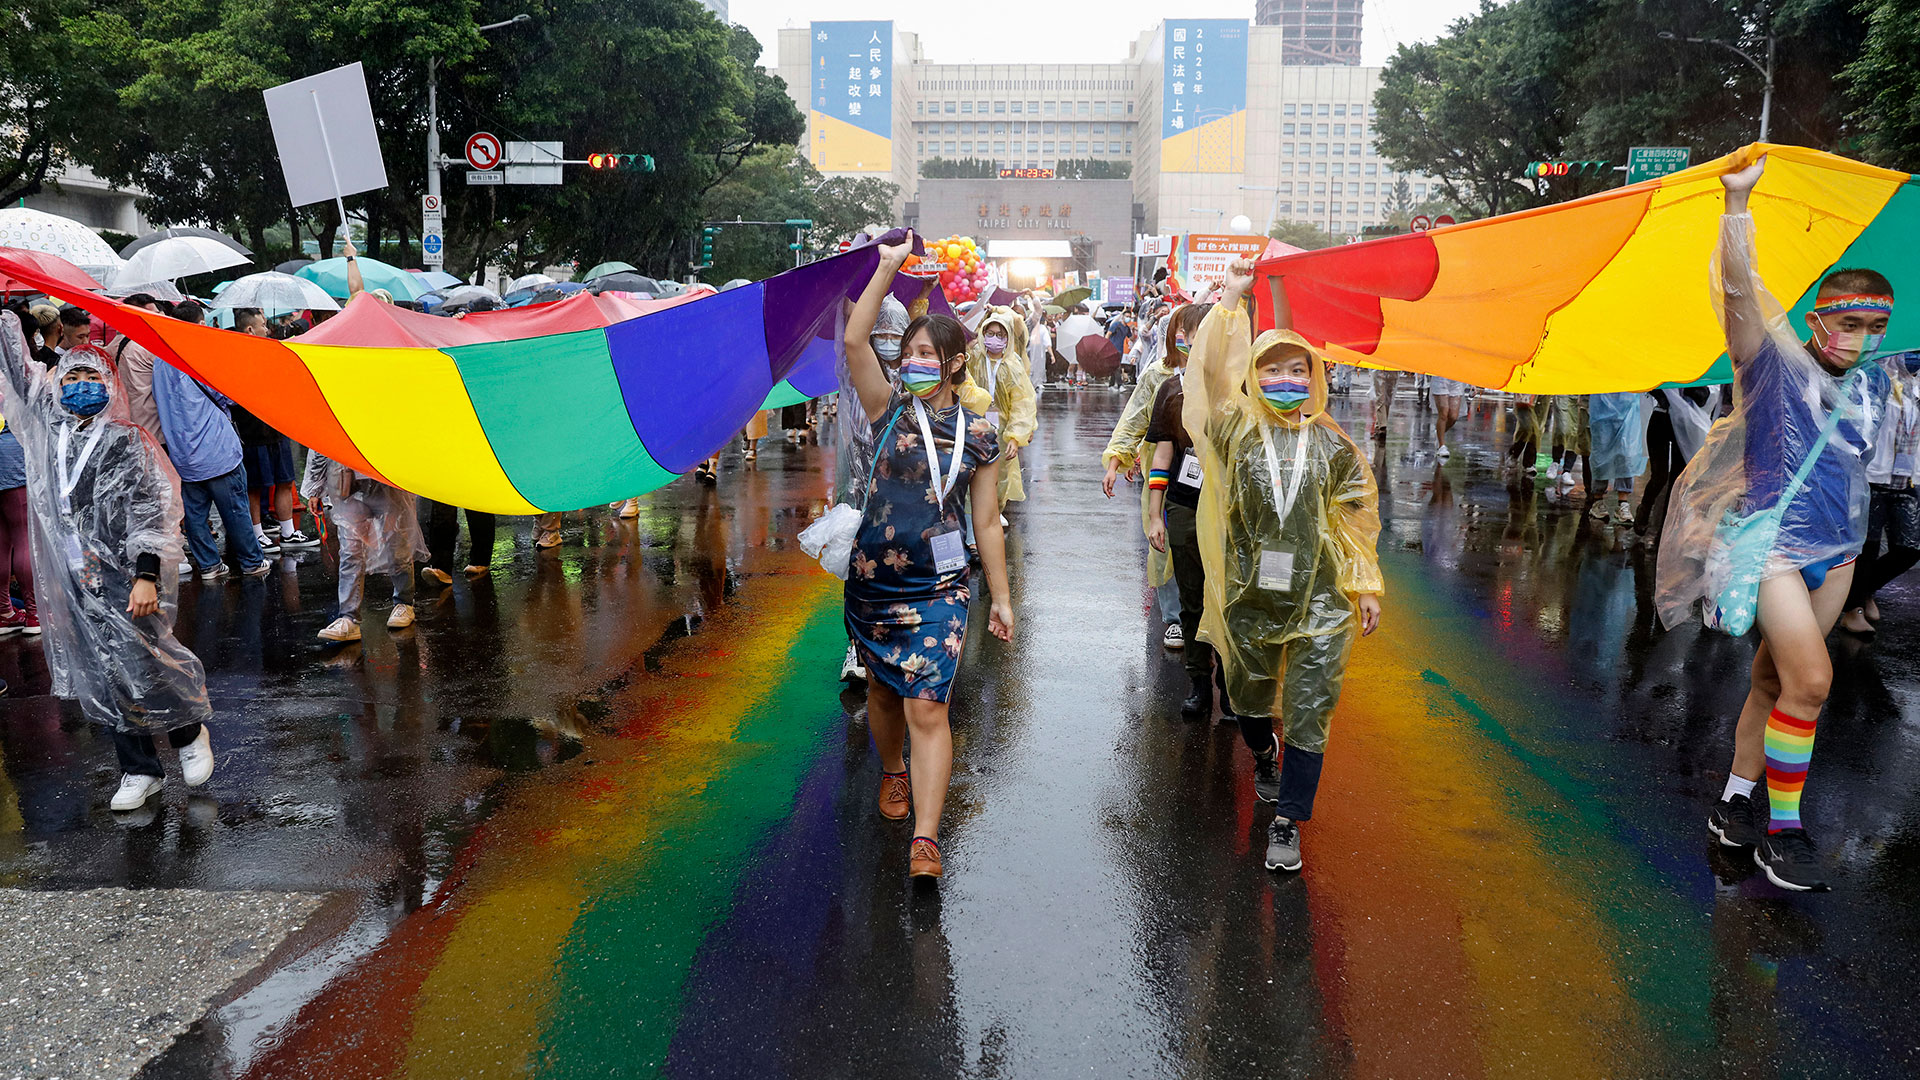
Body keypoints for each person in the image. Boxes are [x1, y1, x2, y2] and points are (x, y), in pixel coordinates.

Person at [1659, 155, 1893, 891]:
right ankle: (1782, 834)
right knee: (1814, 682)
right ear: (1819, 317)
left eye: (1875, 326)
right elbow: (1737, 293)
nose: (1859, 338)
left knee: (1774, 680)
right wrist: (1737, 210)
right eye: (1848, 322)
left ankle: (1733, 805)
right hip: (1773, 548)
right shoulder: (1773, 364)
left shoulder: (1878, 381)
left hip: (1840, 553)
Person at [1185, 259, 1383, 874]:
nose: (1287, 379)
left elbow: (1355, 515)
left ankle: (1288, 821)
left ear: (1315, 377)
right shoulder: (1233, 429)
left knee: (1309, 708)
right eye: (1273, 370)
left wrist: (1365, 584)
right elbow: (1212, 380)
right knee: (1247, 699)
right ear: (1256, 377)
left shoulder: (1331, 443)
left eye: (1299, 370)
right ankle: (1260, 751)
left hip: (1321, 602)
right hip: (1250, 594)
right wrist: (1229, 305)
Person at [841, 231, 1013, 882]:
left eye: (924, 354)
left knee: (928, 705)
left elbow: (987, 522)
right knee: (885, 695)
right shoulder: (885, 409)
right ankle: (892, 772)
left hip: (941, 588)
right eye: (907, 352)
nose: (911, 361)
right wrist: (886, 271)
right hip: (872, 582)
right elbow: (857, 343)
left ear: (954, 363)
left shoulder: (982, 434)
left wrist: (1000, 595)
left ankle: (928, 838)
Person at [0, 323, 215, 811]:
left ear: (109, 384)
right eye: (70, 375)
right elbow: (15, 371)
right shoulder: (47, 431)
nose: (80, 384)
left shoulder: (126, 441)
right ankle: (139, 769)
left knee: (145, 660)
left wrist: (145, 575)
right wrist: (5, 315)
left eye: (90, 376)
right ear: (56, 384)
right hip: (74, 576)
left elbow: (151, 511)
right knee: (104, 672)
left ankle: (187, 733)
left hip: (125, 575)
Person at [1142, 302, 1223, 719]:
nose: (1194, 342)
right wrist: (1156, 514)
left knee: (1228, 599)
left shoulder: (1241, 390)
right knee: (1192, 601)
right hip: (1185, 507)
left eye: (1203, 334)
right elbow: (1163, 454)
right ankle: (1197, 683)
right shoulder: (1170, 390)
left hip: (1230, 512)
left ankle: (1229, 686)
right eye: (1187, 335)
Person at [151, 302, 268, 579]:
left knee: (194, 515)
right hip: (217, 449)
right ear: (200, 324)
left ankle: (209, 565)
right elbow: (228, 395)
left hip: (182, 451)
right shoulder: (202, 355)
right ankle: (252, 561)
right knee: (235, 509)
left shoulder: (159, 358)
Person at [1102, 302, 1191, 649]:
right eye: (1181, 331)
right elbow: (1134, 418)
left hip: (1207, 476)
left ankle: (1200, 615)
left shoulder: (1217, 374)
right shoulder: (1157, 375)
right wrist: (1116, 459)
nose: (1188, 339)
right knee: (1163, 542)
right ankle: (1173, 619)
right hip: (1163, 472)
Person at [835, 292, 911, 684]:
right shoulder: (856, 376)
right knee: (859, 576)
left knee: (896, 572)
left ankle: (894, 647)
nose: (885, 340)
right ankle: (857, 650)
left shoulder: (914, 379)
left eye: (892, 333)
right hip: (862, 496)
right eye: (877, 332)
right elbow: (852, 335)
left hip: (902, 498)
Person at [302, 451, 427, 642]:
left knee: (396, 543)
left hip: (386, 475)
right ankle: (348, 617)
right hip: (346, 479)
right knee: (350, 550)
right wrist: (315, 488)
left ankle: (404, 602)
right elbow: (321, 438)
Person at [1839, 350, 1920, 636]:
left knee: (1909, 549)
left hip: (1905, 479)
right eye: (1911, 352)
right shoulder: (1875, 380)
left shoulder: (1915, 387)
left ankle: (1863, 591)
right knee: (1867, 548)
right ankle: (1853, 610)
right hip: (1872, 476)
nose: (1914, 357)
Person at [229, 309, 317, 555]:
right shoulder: (235, 353)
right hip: (252, 431)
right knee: (255, 486)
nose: (266, 329)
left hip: (276, 427)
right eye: (262, 325)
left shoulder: (270, 350)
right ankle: (256, 534)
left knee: (284, 480)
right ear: (249, 329)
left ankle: (288, 532)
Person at [966, 308, 1038, 520]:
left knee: (1001, 472)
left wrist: (1016, 436)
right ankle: (973, 519)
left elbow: (1022, 402)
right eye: (990, 334)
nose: (994, 339)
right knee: (973, 469)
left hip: (1002, 427)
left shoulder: (1012, 366)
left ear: (1008, 337)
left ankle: (995, 511)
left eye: (1000, 335)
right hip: (974, 424)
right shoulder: (974, 358)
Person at [104, 293, 168, 446]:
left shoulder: (110, 347)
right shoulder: (149, 348)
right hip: (154, 433)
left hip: (123, 429)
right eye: (155, 315)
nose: (159, 318)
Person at [0, 402, 36, 635]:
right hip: (10, 451)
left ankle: (4, 612)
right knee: (23, 536)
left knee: (2, 540)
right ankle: (35, 613)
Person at [1587, 391, 1647, 526]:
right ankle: (1597, 500)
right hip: (1601, 405)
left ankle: (1623, 502)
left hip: (1629, 404)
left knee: (1626, 455)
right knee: (1601, 452)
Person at [1430, 375, 1466, 459]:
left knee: (1453, 416)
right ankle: (1441, 446)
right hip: (1440, 378)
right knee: (1443, 414)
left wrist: (1473, 384)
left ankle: (1439, 434)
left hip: (1457, 379)